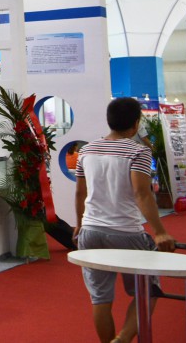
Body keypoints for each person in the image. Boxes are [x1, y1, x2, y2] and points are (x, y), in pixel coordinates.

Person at [74, 97, 176, 343]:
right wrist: (160, 231)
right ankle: (121, 339)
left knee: (100, 298)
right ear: (136, 123)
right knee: (149, 291)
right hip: (126, 232)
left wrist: (79, 224)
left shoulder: (86, 150)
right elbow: (142, 194)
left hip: (90, 231)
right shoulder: (138, 151)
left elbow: (80, 193)